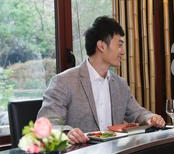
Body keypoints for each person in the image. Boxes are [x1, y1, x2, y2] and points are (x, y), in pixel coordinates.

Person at [37, 16, 165, 144]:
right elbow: (47, 124)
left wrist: (151, 118)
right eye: (119, 45)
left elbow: (136, 112)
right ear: (101, 46)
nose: (123, 52)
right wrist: (67, 133)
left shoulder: (120, 84)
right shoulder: (63, 81)